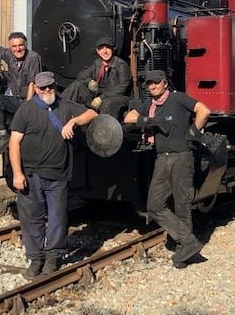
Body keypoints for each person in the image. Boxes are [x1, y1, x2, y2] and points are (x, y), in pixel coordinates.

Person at [9, 71, 98, 277]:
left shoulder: (65, 105)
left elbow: (92, 113)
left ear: (55, 85)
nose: (47, 90)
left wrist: (73, 122)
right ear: (37, 89)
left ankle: (53, 257)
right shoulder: (26, 110)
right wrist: (17, 173)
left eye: (50, 86)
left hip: (58, 173)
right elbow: (14, 142)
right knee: (31, 218)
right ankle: (35, 258)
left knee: (58, 217)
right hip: (30, 174)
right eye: (43, 88)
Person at [123, 69, 211, 269]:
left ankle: (184, 253)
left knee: (182, 205)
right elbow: (129, 117)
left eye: (155, 83)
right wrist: (148, 120)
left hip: (181, 157)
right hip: (162, 158)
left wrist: (193, 133)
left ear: (164, 83)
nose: (152, 86)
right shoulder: (150, 105)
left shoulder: (178, 99)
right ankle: (188, 241)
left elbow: (204, 110)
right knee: (154, 205)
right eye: (149, 84)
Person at [0, 32, 42, 155]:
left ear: (25, 44)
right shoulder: (9, 54)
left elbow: (32, 83)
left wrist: (28, 106)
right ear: (10, 47)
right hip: (16, 99)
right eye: (14, 46)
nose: (18, 49)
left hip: (32, 101)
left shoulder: (33, 58)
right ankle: (2, 135)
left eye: (21, 45)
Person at [62, 37, 131, 119]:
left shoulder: (121, 65)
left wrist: (101, 98)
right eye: (101, 48)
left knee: (107, 103)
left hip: (117, 97)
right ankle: (60, 113)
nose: (105, 51)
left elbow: (122, 88)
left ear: (113, 49)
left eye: (108, 48)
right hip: (99, 95)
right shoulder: (97, 63)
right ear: (98, 51)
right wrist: (90, 81)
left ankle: (104, 128)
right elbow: (81, 75)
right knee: (77, 86)